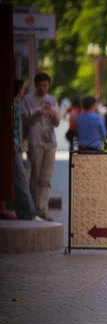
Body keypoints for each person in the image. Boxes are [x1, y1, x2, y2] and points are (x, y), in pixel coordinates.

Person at [21, 72, 60, 221]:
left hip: (50, 142)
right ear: (35, 85)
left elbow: (56, 123)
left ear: (48, 85)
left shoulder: (52, 99)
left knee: (47, 178)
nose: (43, 88)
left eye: (45, 85)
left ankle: (43, 210)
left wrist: (52, 113)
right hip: (35, 141)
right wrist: (38, 113)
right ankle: (33, 210)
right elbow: (24, 121)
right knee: (36, 177)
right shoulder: (28, 100)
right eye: (40, 86)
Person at [11, 79, 38, 221]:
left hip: (16, 145)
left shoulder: (16, 104)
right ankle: (29, 213)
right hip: (13, 146)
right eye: (22, 88)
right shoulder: (12, 105)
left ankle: (26, 212)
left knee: (19, 179)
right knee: (21, 179)